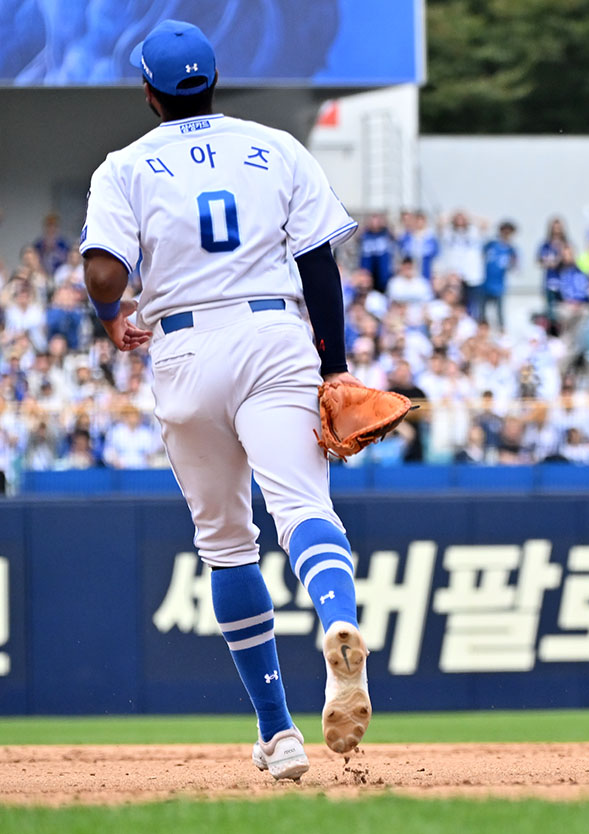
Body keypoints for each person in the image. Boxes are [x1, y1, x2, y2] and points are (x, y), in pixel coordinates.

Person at [81, 20, 370, 782]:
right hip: (273, 335)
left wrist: (112, 317)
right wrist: (333, 365)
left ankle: (277, 736)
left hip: (183, 350)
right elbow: (318, 260)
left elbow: (106, 275)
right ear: (213, 80)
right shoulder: (274, 145)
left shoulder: (124, 166)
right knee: (306, 512)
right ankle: (337, 614)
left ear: (149, 92)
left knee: (227, 543)